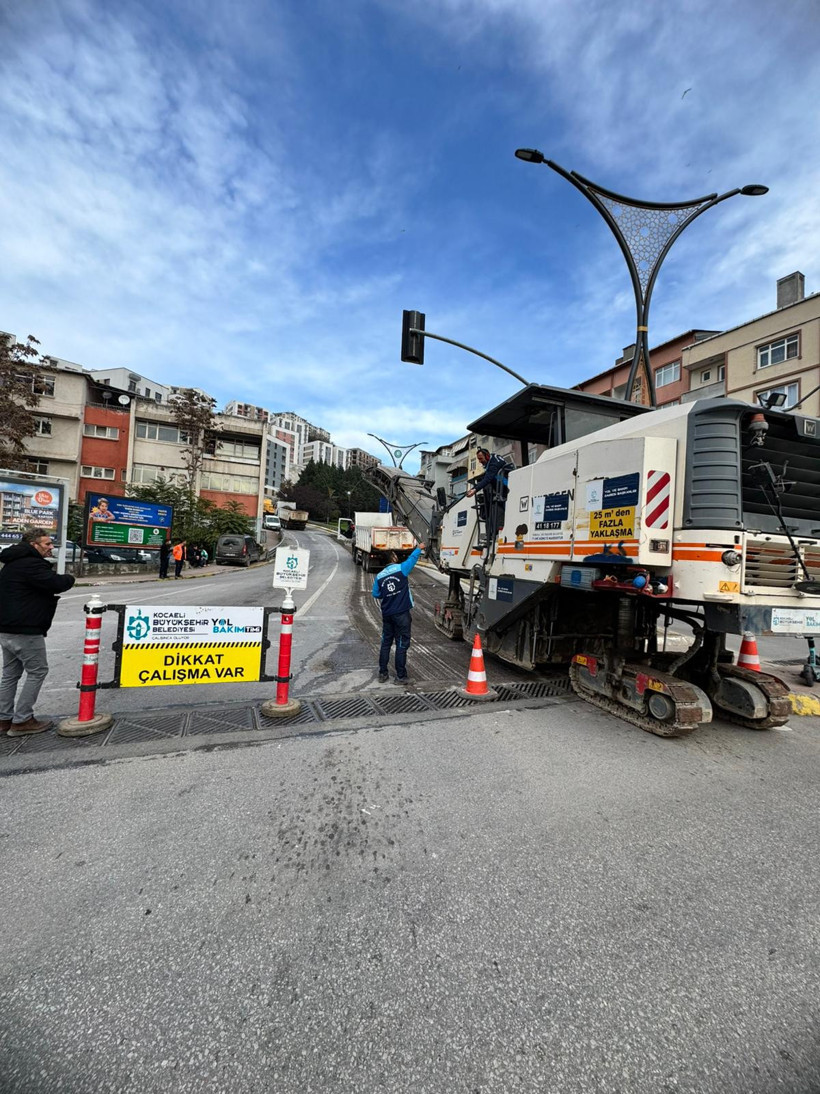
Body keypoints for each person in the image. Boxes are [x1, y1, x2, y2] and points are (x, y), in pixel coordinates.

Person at [0, 528, 76, 736]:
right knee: (37, 671)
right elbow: (57, 583)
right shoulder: (31, 565)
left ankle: (3, 718)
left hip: (6, 627)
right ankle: (23, 720)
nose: (51, 547)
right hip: (25, 629)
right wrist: (69, 578)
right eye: (47, 544)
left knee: (10, 674)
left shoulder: (11, 563)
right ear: (34, 545)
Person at [371, 542, 425, 684]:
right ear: (393, 558)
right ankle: (400, 676)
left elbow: (376, 594)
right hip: (401, 614)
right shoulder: (401, 569)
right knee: (401, 644)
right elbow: (411, 560)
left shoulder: (379, 577)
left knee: (386, 642)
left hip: (387, 614)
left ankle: (383, 674)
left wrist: (388, 594)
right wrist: (418, 548)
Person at [465, 447, 512, 549]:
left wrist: (474, 490)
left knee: (491, 514)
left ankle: (490, 537)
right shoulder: (495, 458)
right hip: (502, 490)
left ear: (487, 456)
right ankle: (489, 536)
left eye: (481, 459)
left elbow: (487, 478)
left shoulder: (494, 464)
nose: (480, 461)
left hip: (504, 490)